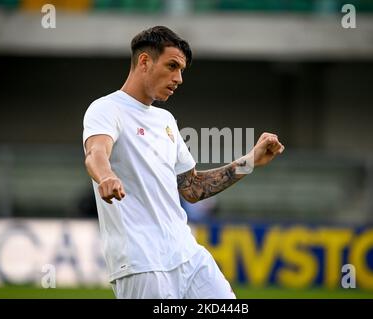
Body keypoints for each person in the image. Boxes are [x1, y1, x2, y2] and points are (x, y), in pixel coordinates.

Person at [82, 26, 284, 299]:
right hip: (142, 262)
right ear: (144, 61)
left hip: (188, 255)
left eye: (181, 71)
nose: (178, 78)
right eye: (172, 66)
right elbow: (96, 152)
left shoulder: (166, 121)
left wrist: (250, 161)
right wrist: (105, 177)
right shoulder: (106, 108)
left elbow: (192, 187)